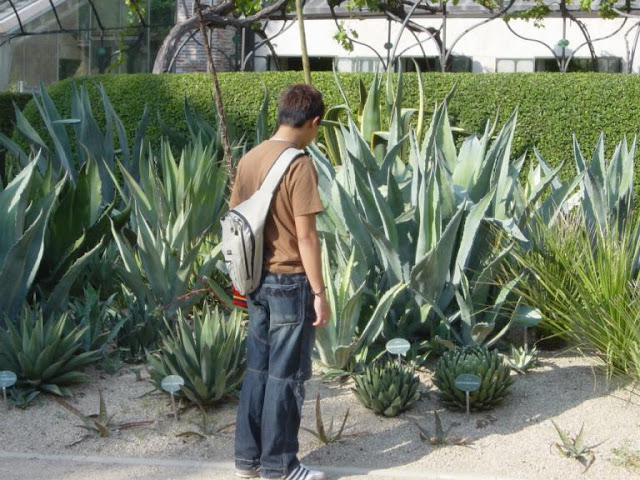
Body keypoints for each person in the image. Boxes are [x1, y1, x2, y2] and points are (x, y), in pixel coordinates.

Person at [232, 84, 331, 480]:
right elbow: (307, 237)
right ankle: (280, 465)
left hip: (255, 281)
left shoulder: (250, 158)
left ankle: (248, 460)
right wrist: (320, 292)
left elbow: (237, 220)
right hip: (290, 283)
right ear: (314, 122)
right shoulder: (299, 164)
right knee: (286, 376)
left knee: (257, 369)